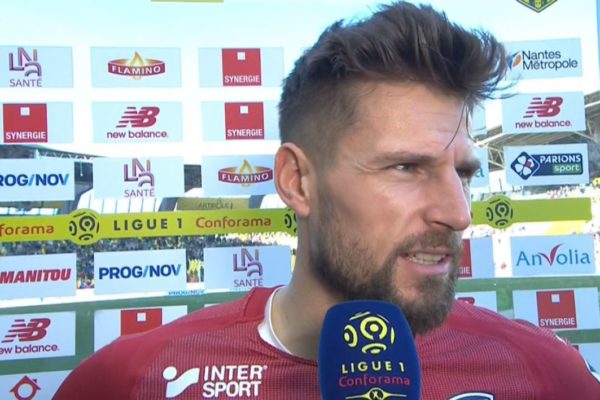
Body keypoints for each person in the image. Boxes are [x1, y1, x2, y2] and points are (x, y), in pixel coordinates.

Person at [53, 2, 600, 399]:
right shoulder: (133, 381)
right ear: (297, 182)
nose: (458, 213)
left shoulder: (545, 376)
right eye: (406, 167)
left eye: (463, 173)